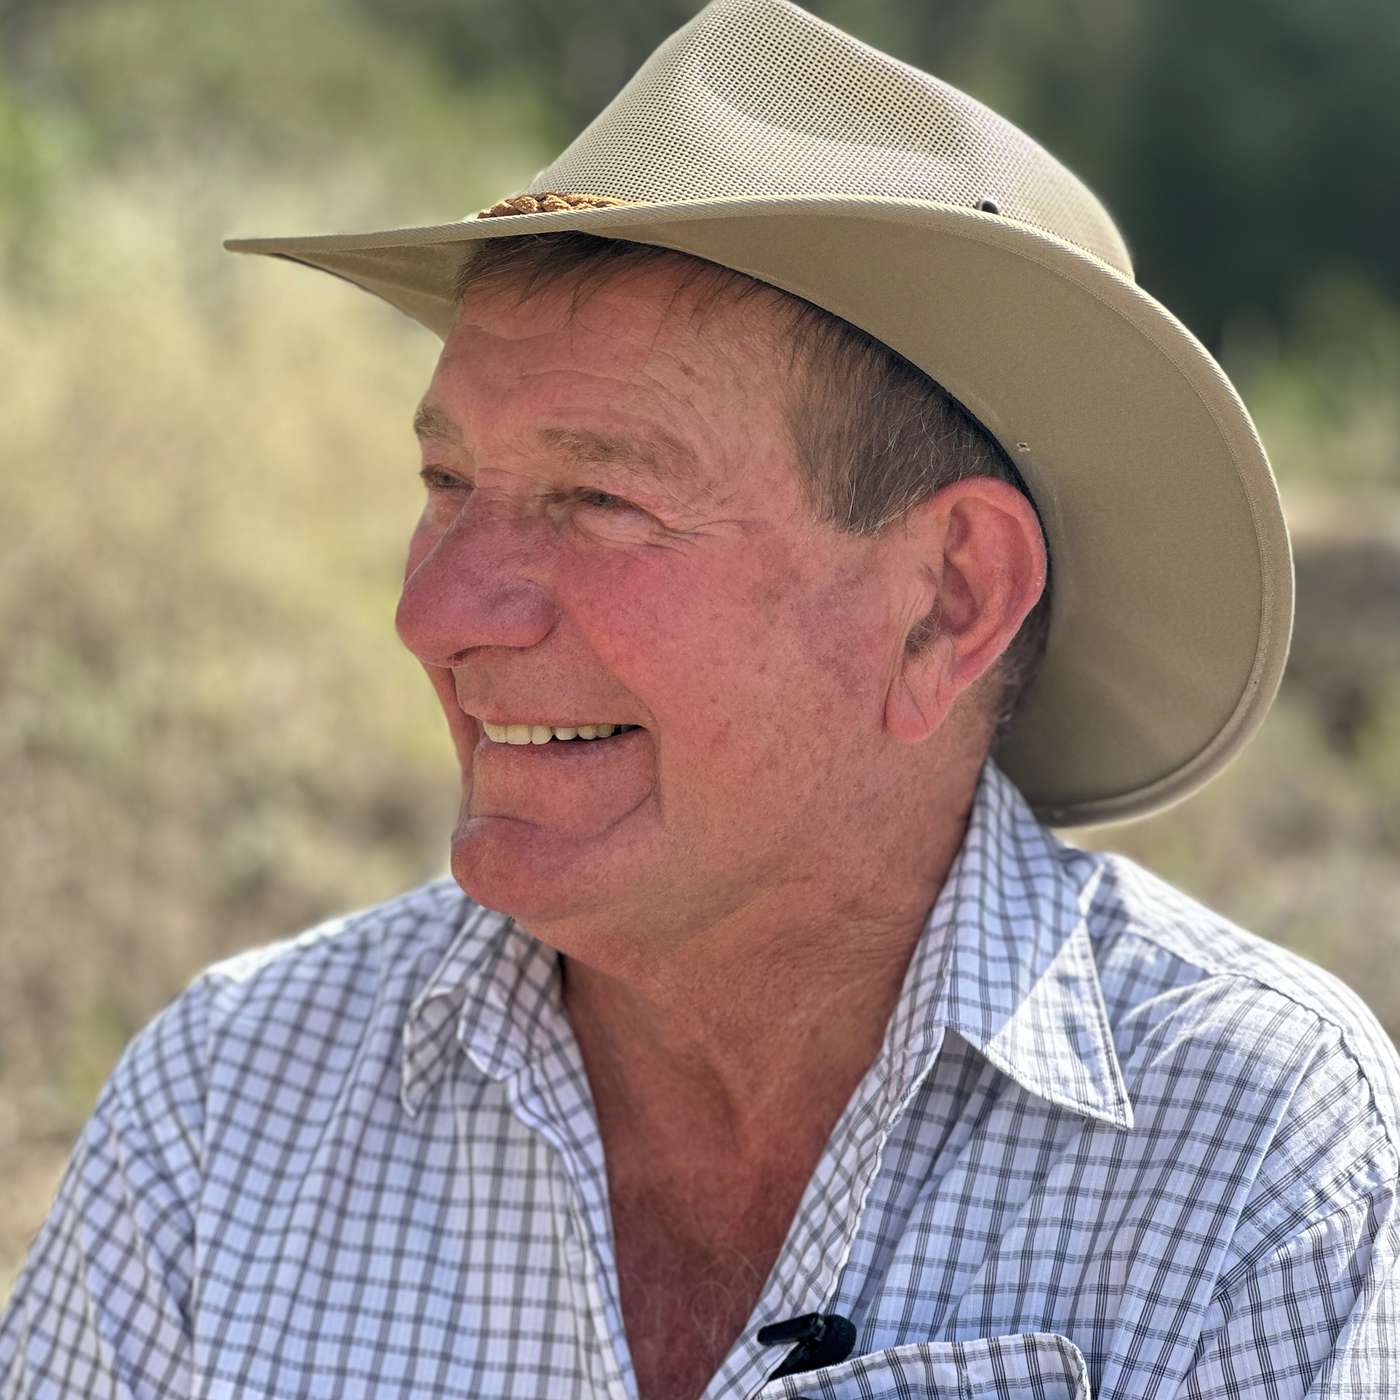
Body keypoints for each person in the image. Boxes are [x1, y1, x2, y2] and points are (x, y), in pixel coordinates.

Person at [4, 1, 1397, 1395]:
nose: (434, 614)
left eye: (601, 497)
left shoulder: (1248, 1160)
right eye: (447, 483)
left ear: (948, 602)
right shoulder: (226, 1111)